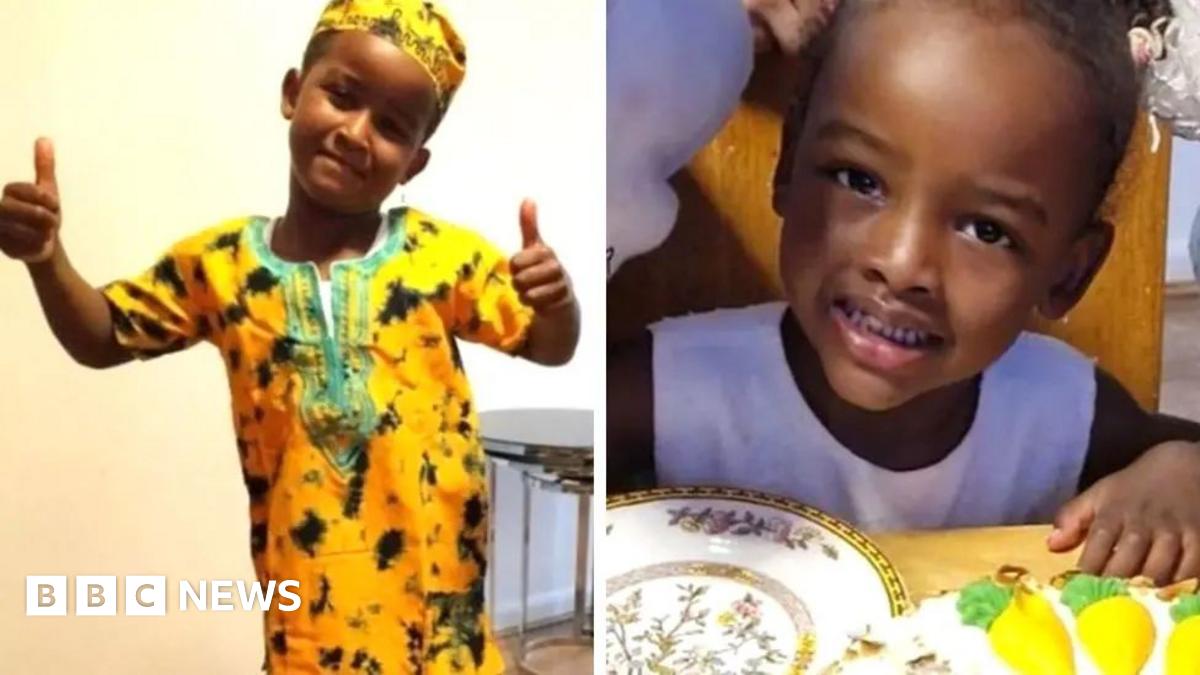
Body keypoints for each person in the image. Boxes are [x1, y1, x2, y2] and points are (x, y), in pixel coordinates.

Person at [0, 1, 580, 672]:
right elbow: (102, 335)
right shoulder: (220, 266)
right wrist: (46, 258)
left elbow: (548, 344)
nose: (356, 133)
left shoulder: (444, 257)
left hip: (442, 625)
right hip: (309, 626)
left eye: (390, 127)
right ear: (291, 94)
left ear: (413, 163)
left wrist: (558, 303)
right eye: (341, 96)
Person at [609, 0, 1200, 586]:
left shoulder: (1063, 412)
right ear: (789, 163)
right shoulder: (671, 386)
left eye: (986, 230)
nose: (902, 264)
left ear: (1069, 274)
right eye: (859, 180)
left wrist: (1183, 469)